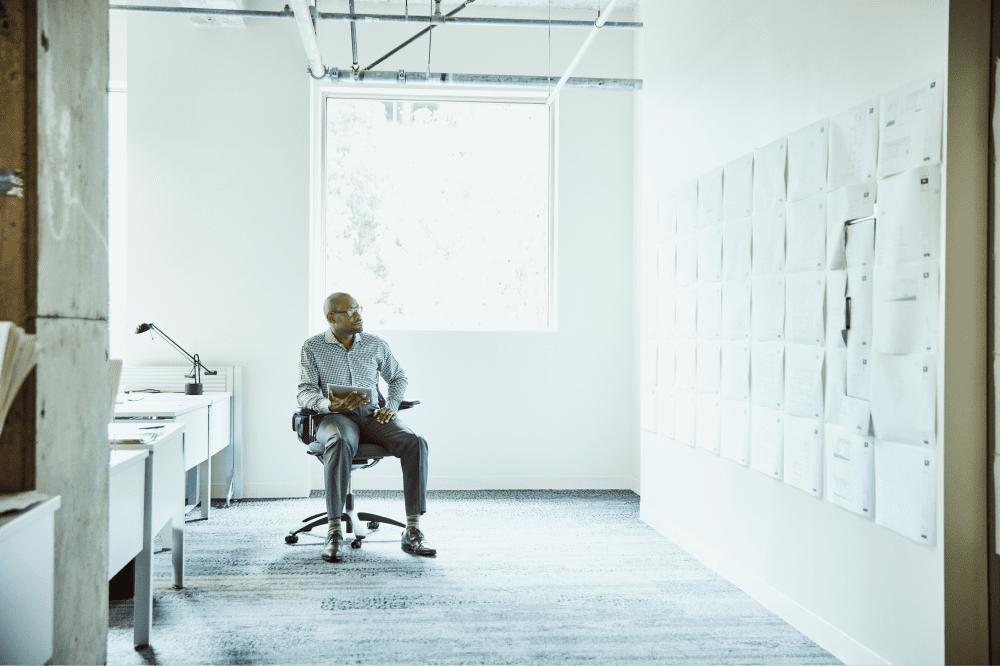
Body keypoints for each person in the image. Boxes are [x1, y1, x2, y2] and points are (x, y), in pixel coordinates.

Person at [297, 292, 435, 563]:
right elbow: (305, 391)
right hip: (335, 417)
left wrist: (391, 405)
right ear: (331, 317)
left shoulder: (375, 344)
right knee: (339, 441)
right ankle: (334, 531)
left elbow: (398, 377)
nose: (358, 315)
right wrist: (327, 404)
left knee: (415, 441)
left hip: (372, 415)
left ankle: (412, 529)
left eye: (358, 308)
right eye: (349, 311)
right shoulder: (313, 346)